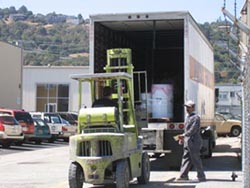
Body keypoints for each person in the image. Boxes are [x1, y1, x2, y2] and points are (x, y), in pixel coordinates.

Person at [176, 100, 206, 182]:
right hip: (187, 140)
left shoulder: (196, 117)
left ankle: (201, 176)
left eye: (189, 107)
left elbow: (193, 129)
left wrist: (184, 135)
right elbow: (186, 129)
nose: (187, 109)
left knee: (195, 158)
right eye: (186, 107)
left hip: (194, 141)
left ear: (193, 108)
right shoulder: (187, 117)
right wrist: (183, 138)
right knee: (186, 158)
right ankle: (183, 175)